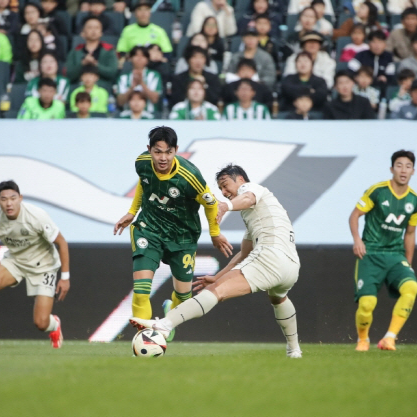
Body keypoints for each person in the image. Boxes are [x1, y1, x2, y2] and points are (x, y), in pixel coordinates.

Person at [129, 164, 303, 359]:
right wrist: (218, 276)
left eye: (225, 185)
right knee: (278, 298)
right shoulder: (259, 214)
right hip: (290, 265)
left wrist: (225, 205)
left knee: (215, 292)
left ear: (241, 180)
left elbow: (247, 198)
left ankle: (164, 325)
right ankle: (294, 350)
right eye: (220, 188)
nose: (223, 192)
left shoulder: (252, 189)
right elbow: (245, 253)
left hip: (270, 257)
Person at [114, 127, 232, 342]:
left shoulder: (190, 176)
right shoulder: (142, 162)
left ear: (176, 150)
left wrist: (215, 233)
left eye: (168, 152)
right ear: (149, 150)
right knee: (141, 291)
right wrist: (133, 212)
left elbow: (211, 203)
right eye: (158, 152)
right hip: (149, 229)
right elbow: (144, 181)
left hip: (182, 236)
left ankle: (171, 309)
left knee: (184, 298)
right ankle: (146, 341)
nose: (163, 158)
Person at [0, 181, 70, 349]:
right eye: (4, 199)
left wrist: (65, 278)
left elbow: (62, 243)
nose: (9, 203)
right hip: (15, 261)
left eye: (13, 198)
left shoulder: (36, 215)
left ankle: (54, 324)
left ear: (20, 198)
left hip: (44, 266)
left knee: (41, 323)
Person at [349, 150, 417, 351]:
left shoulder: (415, 201)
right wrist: (357, 240)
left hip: (395, 255)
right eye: (399, 165)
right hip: (370, 253)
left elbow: (410, 233)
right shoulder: (377, 191)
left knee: (411, 288)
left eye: (408, 166)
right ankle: (362, 339)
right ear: (392, 169)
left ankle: (389, 338)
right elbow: (355, 216)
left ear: (413, 171)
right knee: (366, 305)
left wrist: (408, 261)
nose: (403, 170)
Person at [66, 16, 119, 89]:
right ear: (83, 32)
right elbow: (69, 74)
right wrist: (82, 63)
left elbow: (112, 73)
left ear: (101, 32)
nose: (93, 30)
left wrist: (95, 64)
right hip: (79, 88)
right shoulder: (75, 51)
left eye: (97, 28)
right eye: (90, 27)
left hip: (103, 87)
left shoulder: (109, 50)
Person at [117, 46, 163, 114]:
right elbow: (120, 102)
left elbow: (155, 99)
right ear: (130, 58)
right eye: (136, 55)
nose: (139, 58)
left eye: (143, 56)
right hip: (127, 117)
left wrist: (141, 83)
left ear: (147, 59)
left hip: (150, 116)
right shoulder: (123, 77)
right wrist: (132, 87)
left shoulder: (154, 75)